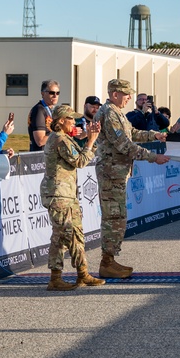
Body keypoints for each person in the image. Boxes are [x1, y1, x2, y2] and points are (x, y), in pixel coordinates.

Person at [95, 79, 172, 279]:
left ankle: (110, 259)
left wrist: (154, 135)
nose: (130, 97)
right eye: (126, 94)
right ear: (114, 94)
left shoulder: (117, 112)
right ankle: (107, 263)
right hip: (111, 174)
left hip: (118, 174)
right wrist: (153, 157)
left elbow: (132, 134)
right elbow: (124, 145)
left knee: (118, 217)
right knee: (113, 219)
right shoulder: (109, 113)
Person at [41, 105, 105, 291]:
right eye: (71, 119)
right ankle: (56, 277)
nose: (74, 122)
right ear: (61, 121)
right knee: (63, 235)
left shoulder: (63, 138)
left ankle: (82, 274)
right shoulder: (59, 139)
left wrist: (86, 137)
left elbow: (77, 152)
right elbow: (80, 161)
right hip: (59, 195)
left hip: (67, 194)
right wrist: (91, 141)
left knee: (74, 234)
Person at [28, 80, 61, 152]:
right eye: (51, 93)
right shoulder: (39, 110)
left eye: (57, 93)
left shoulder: (51, 109)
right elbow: (40, 141)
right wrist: (62, 133)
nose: (55, 96)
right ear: (42, 94)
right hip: (40, 157)